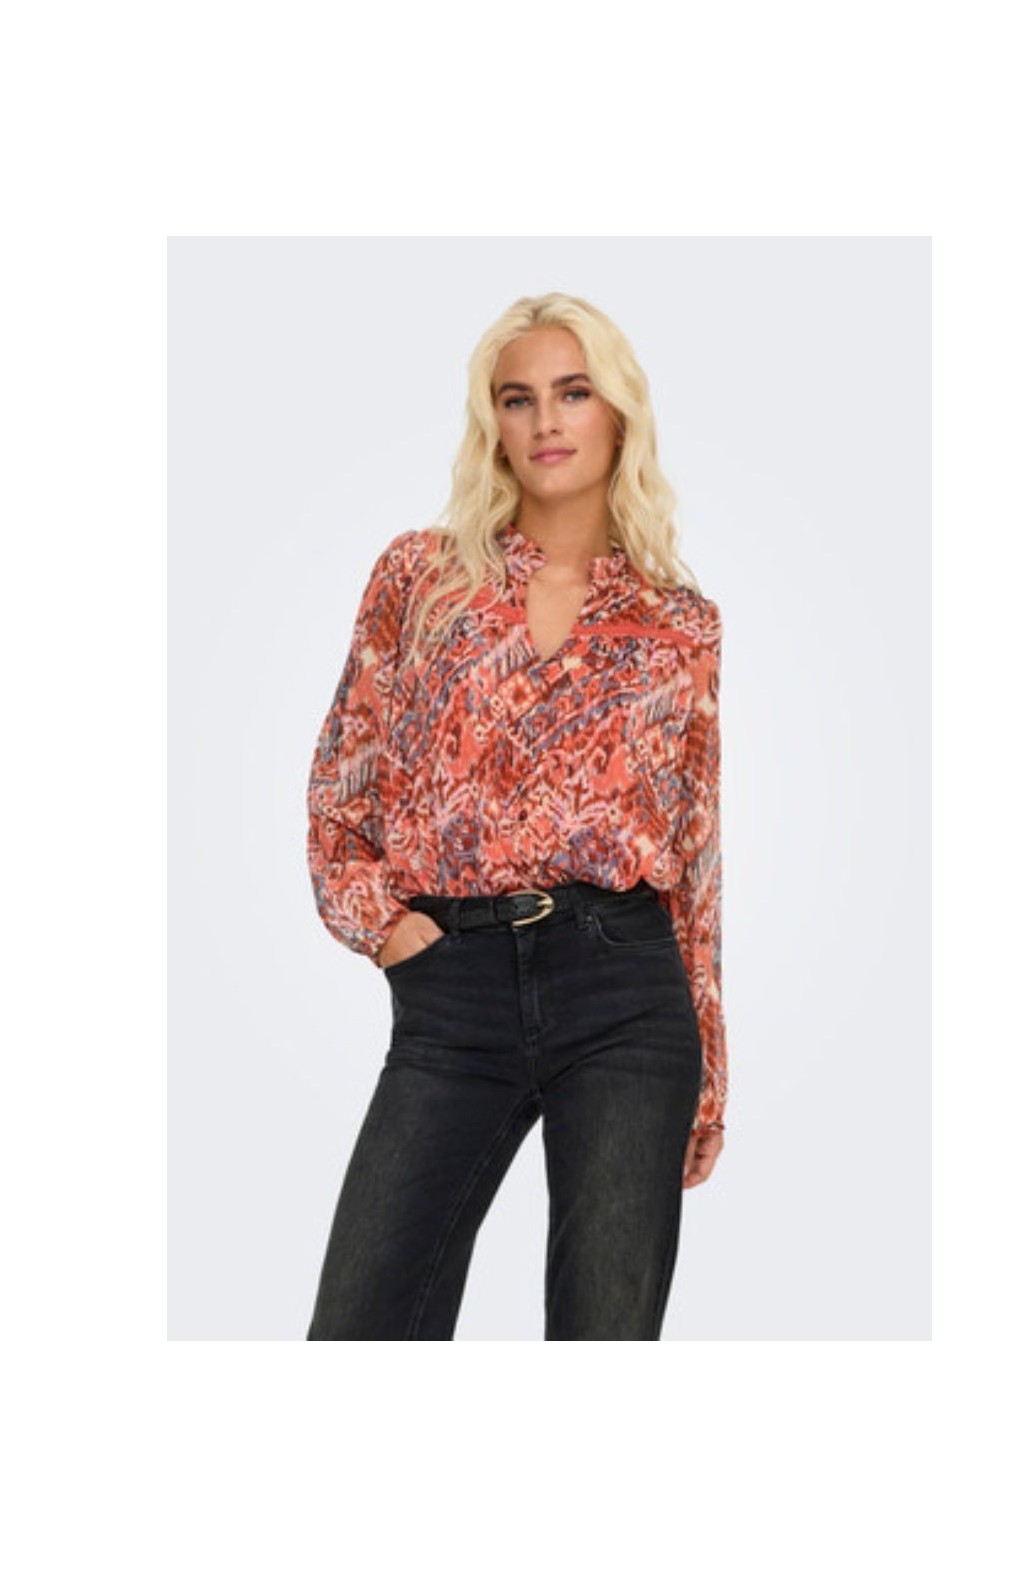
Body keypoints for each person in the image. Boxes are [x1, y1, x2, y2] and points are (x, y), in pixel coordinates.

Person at [305, 291, 727, 1341]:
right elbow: (343, 778)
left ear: (617, 412)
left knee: (601, 1338)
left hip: (625, 989)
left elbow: (694, 852)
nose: (545, 420)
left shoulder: (678, 623)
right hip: (451, 992)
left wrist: (710, 1074)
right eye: (517, 397)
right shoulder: (421, 578)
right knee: (361, 1325)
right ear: (491, 421)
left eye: (572, 393)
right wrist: (381, 926)